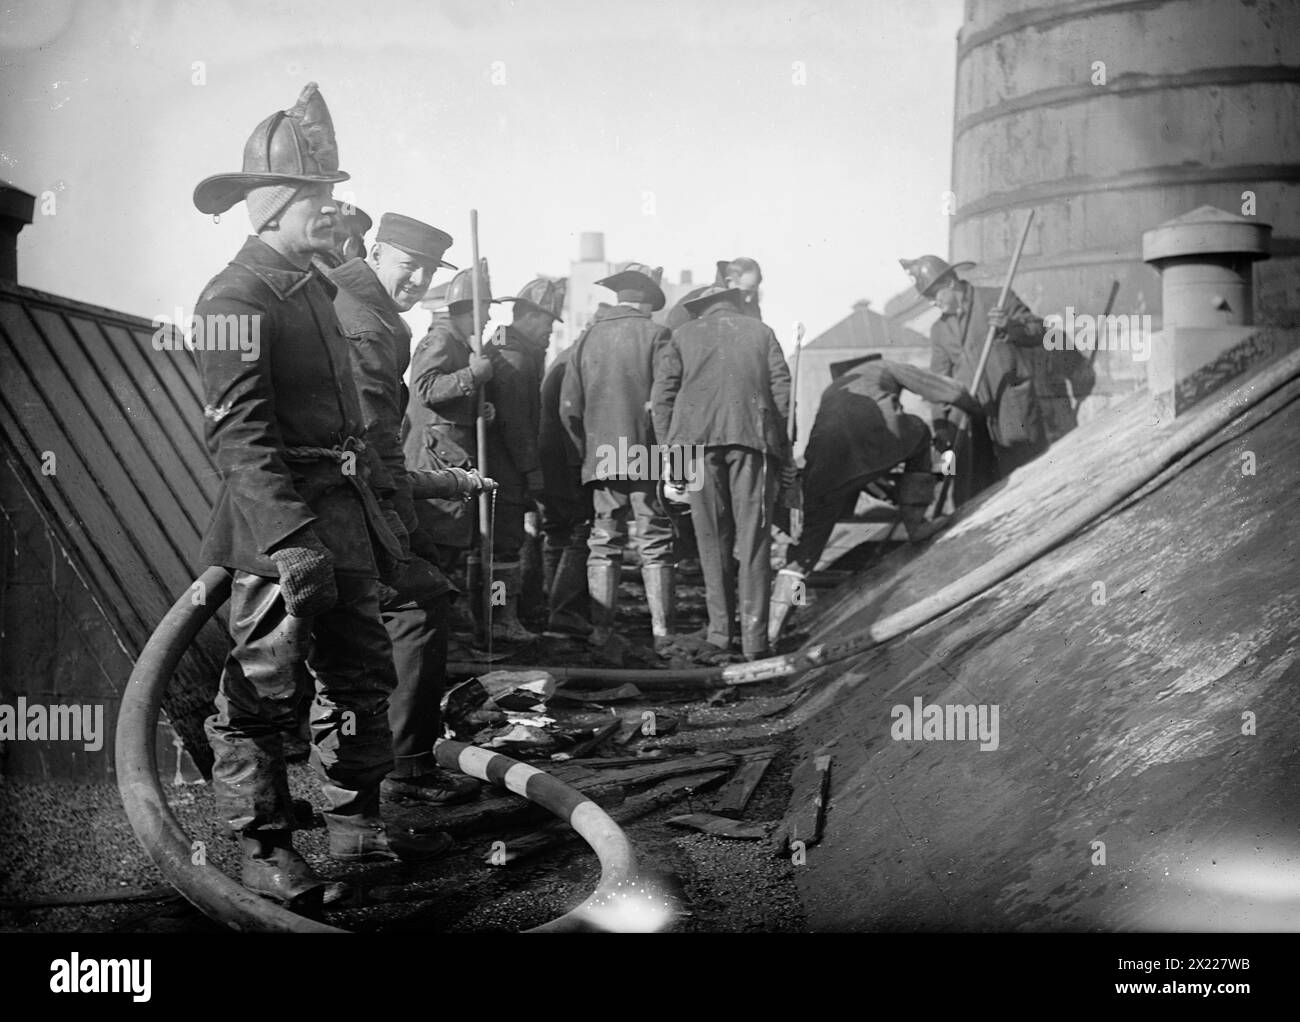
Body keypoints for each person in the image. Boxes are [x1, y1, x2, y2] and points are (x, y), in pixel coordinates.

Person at [190, 83, 452, 913]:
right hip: (279, 533)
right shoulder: (232, 301)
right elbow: (238, 435)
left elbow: (364, 427)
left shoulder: (314, 289)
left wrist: (388, 523)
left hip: (346, 522)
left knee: (361, 679)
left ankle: (353, 827)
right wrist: (290, 539)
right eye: (320, 198)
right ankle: (267, 852)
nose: (334, 212)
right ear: (270, 205)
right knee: (265, 693)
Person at [330, 211, 491, 806]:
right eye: (407, 264)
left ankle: (399, 765)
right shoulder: (370, 323)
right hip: (345, 495)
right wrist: (409, 514)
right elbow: (376, 440)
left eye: (427, 270)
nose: (418, 278)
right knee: (419, 606)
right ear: (375, 255)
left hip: (353, 486)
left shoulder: (364, 306)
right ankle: (406, 771)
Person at [768, 358, 980, 643]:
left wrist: (895, 491)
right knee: (918, 430)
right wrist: (975, 408)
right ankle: (916, 525)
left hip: (822, 464)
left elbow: (860, 469)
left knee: (804, 555)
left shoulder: (834, 391)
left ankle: (770, 631)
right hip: (876, 440)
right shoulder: (885, 366)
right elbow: (948, 392)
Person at [651, 285, 790, 661]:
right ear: (735, 304)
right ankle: (755, 641)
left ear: (700, 309)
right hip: (753, 443)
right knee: (755, 542)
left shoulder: (683, 335)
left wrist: (670, 455)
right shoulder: (762, 332)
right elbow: (782, 394)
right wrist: (783, 451)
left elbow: (662, 398)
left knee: (710, 539)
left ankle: (719, 634)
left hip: (695, 447)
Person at [561, 262, 676, 650]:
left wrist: (587, 455)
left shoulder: (588, 338)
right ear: (649, 302)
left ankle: (601, 632)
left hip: (603, 455)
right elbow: (668, 406)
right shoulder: (659, 336)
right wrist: (677, 468)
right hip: (646, 452)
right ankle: (662, 635)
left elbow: (569, 409)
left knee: (604, 539)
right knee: (654, 540)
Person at [899, 254, 1047, 506]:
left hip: (1011, 410)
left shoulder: (996, 299)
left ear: (950, 284)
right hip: (973, 421)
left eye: (934, 295)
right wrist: (942, 427)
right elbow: (938, 383)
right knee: (976, 490)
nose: (932, 303)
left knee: (1028, 482)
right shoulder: (940, 330)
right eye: (927, 298)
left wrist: (1009, 325)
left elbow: (1039, 331)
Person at [403, 260, 495, 626]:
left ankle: (443, 627)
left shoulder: (460, 342)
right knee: (434, 548)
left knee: (448, 548)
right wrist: (471, 376)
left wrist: (478, 406)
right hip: (434, 463)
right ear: (467, 310)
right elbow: (424, 389)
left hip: (449, 459)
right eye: (484, 309)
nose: (488, 319)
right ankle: (431, 629)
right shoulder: (440, 339)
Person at [537, 344, 593, 636]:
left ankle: (555, 603)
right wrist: (581, 463)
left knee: (556, 530)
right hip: (564, 457)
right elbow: (570, 415)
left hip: (548, 456)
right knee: (581, 529)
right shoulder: (576, 359)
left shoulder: (564, 357)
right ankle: (566, 612)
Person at [665, 256, 763, 329]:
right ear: (729, 281)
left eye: (753, 293)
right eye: (745, 292)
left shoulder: (752, 307)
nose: (749, 299)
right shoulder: (694, 301)